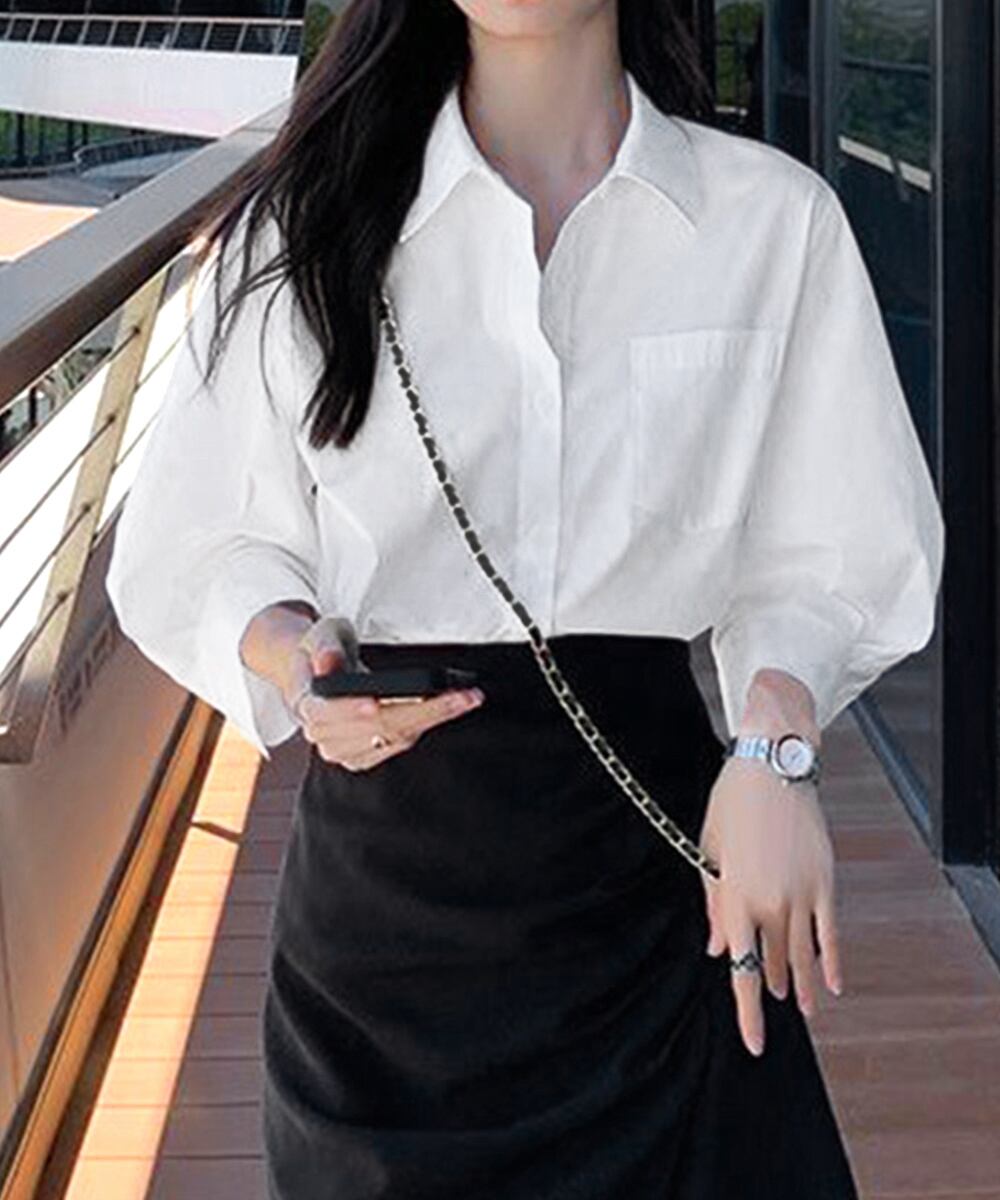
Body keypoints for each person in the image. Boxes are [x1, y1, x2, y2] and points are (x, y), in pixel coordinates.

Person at [105, 1, 944, 1196]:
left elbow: (836, 545)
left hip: (660, 893)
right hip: (384, 963)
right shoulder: (307, 224)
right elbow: (194, 541)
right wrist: (298, 659)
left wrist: (776, 738)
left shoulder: (770, 220)